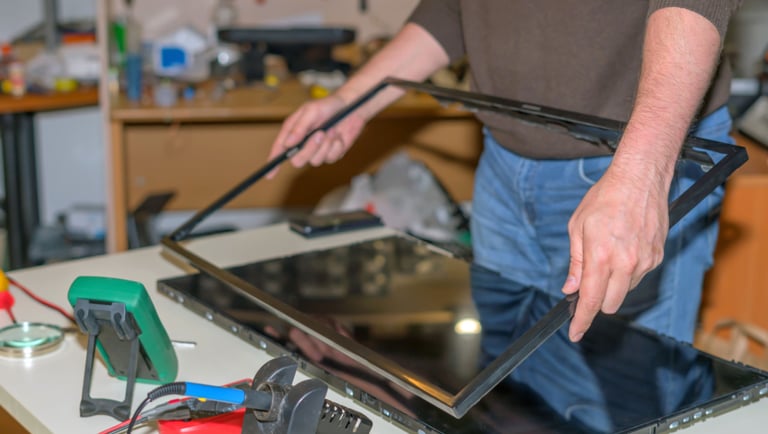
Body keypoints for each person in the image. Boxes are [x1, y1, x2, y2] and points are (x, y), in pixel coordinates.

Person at [266, 1, 741, 351]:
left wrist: (642, 173)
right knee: (513, 388)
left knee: (627, 394)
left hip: (634, 163)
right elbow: (456, 10)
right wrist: (351, 100)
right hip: (504, 160)